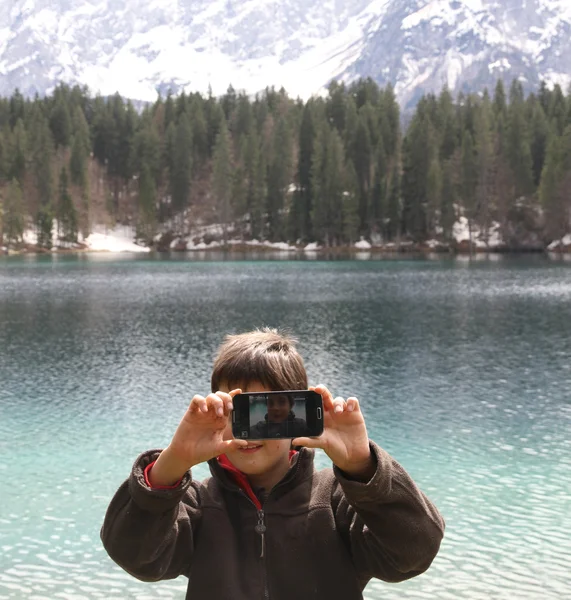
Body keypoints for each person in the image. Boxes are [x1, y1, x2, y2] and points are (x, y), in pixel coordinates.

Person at [101, 328, 445, 600]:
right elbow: (136, 557)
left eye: (268, 412)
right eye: (237, 413)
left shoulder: (338, 501)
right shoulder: (198, 505)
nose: (249, 433)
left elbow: (413, 554)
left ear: (296, 415)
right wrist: (171, 465)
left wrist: (362, 468)